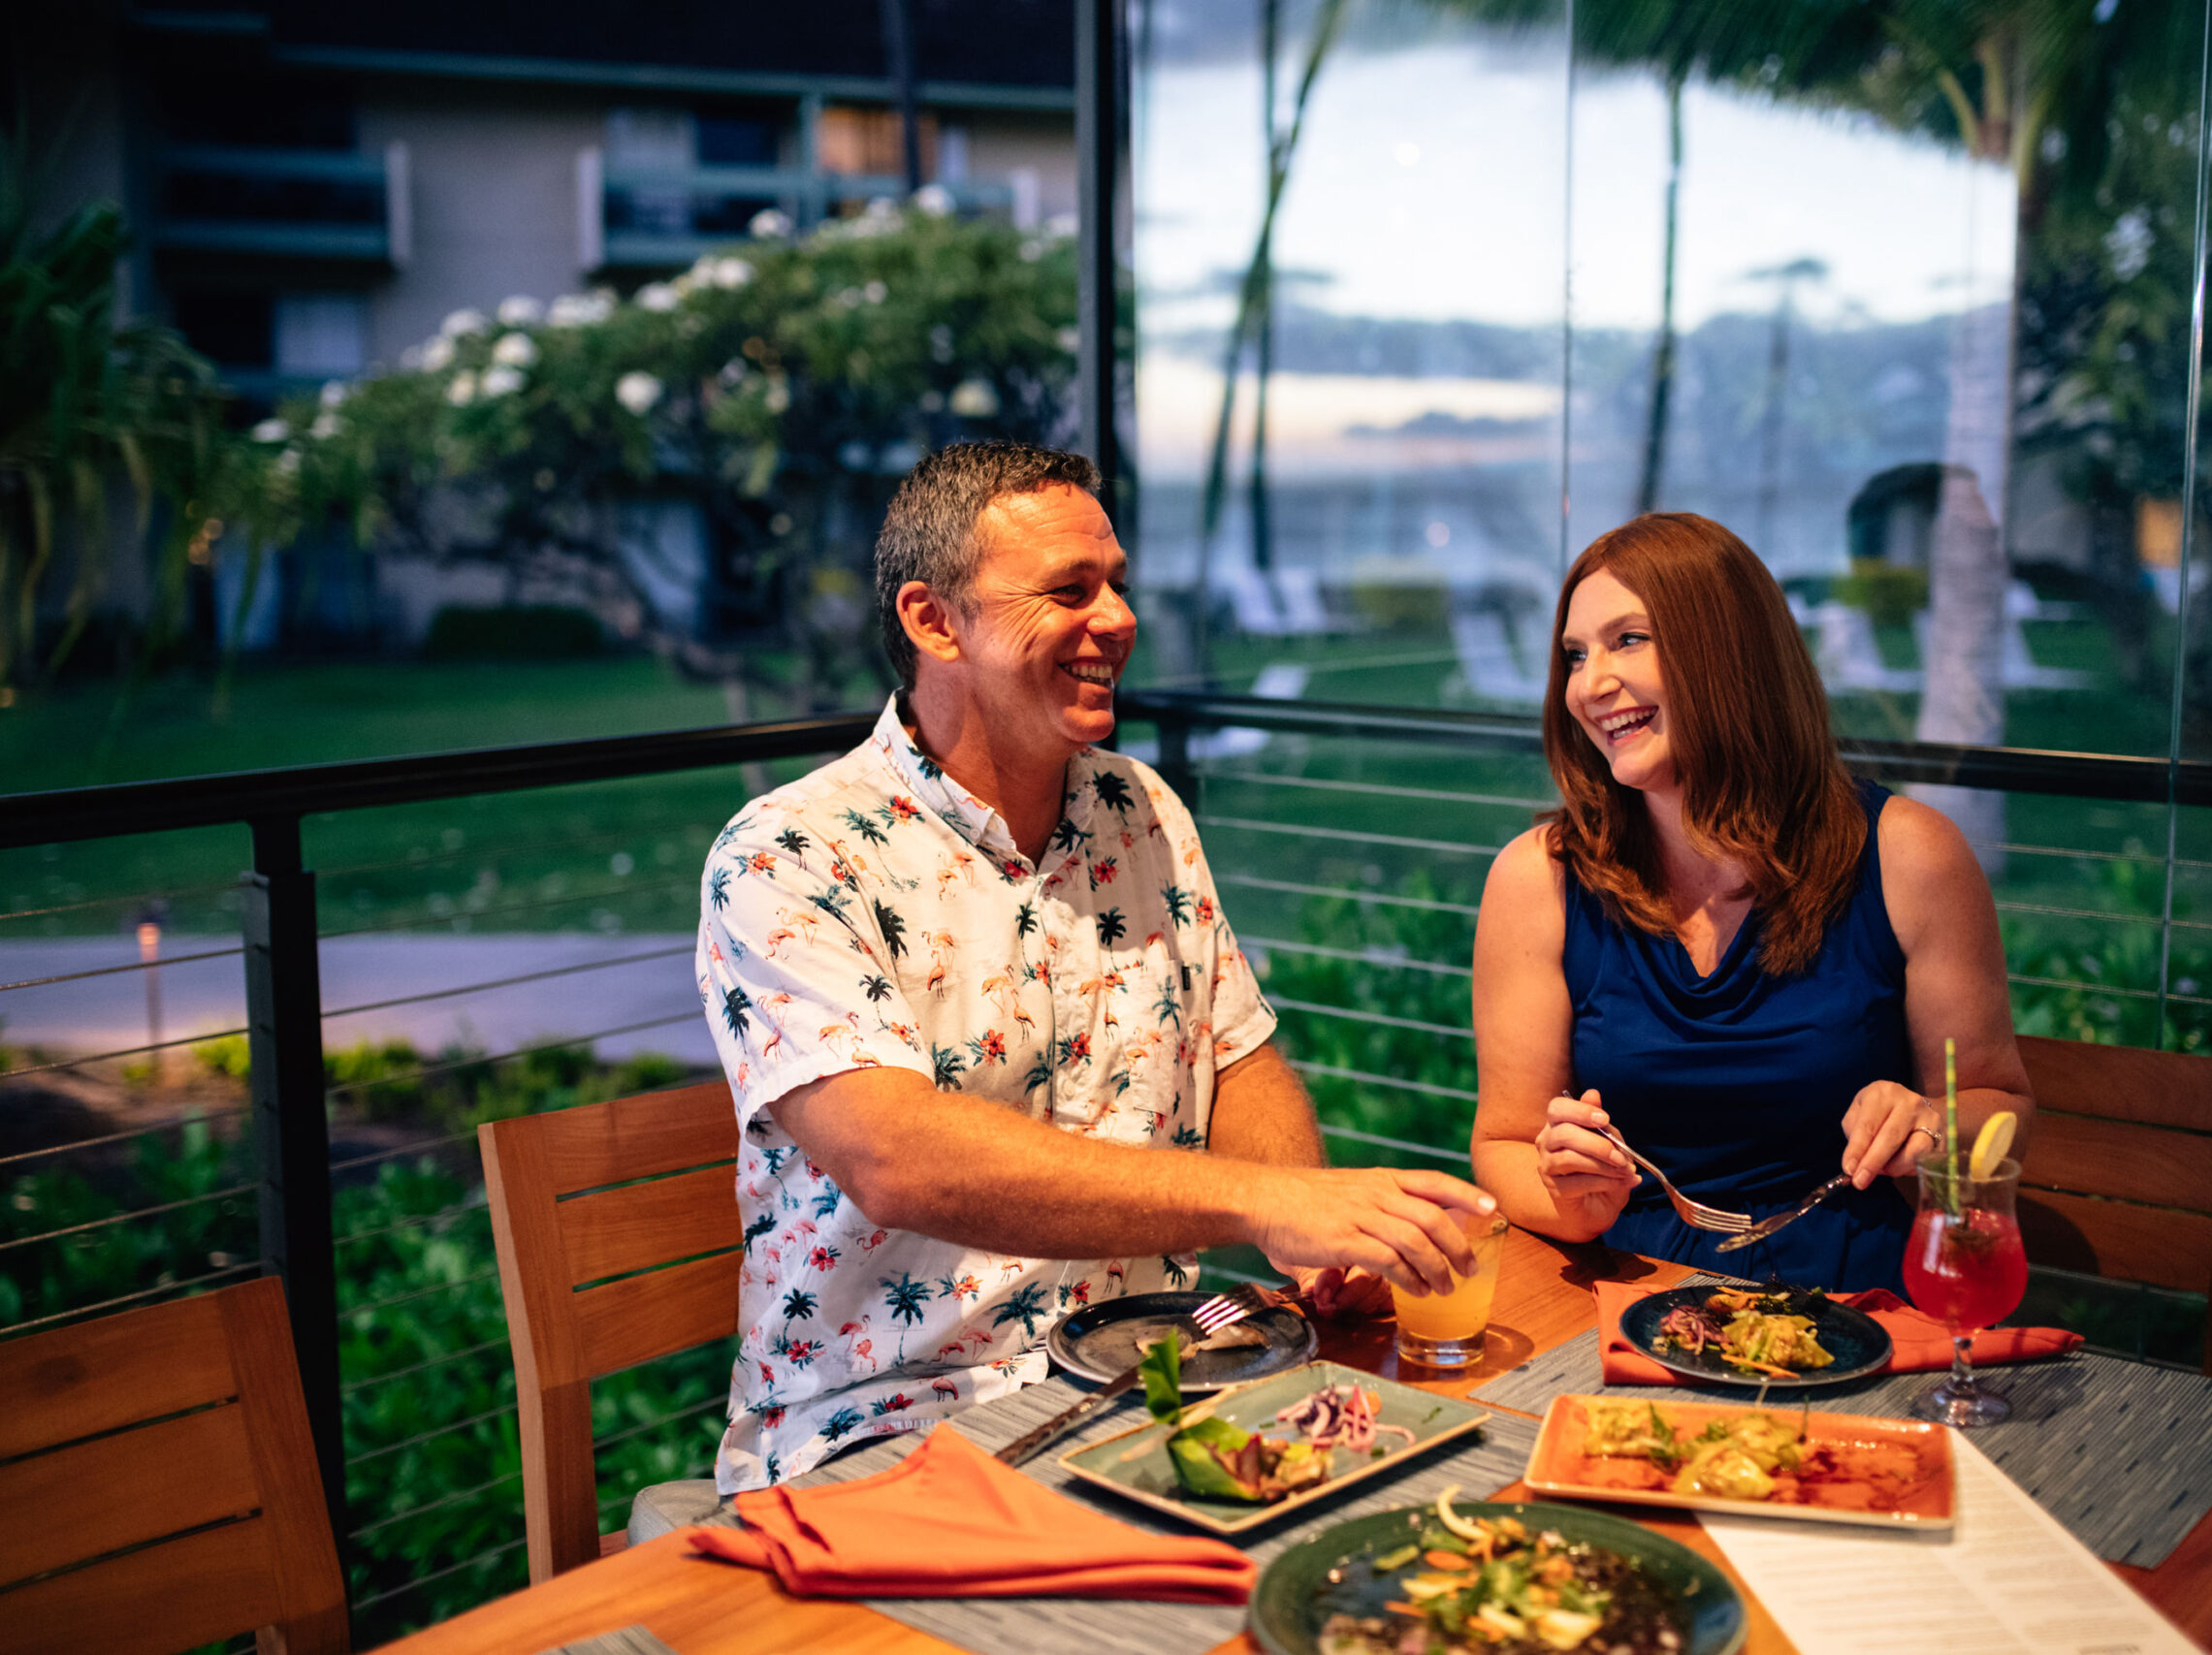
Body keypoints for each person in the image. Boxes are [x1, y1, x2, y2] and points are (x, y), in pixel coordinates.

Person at [696, 439, 1493, 1491]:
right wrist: (1254, 1206)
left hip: (1170, 1365)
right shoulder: (788, 856)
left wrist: (1309, 1225)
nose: (1117, 619)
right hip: (888, 1418)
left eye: (1116, 584)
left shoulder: (1139, 808)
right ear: (934, 621)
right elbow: (899, 1159)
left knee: (1451, 1493)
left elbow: (1235, 1054)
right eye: (1069, 591)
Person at [1469, 513, 2031, 1291]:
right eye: (1575, 654)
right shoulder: (1538, 878)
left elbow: (2002, 1103)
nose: (1589, 686)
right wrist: (1572, 1200)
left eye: (1628, 640)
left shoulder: (1912, 854)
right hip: (1628, 1292)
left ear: (1729, 651)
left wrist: (1930, 1124)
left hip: (1854, 1300)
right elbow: (1504, 1140)